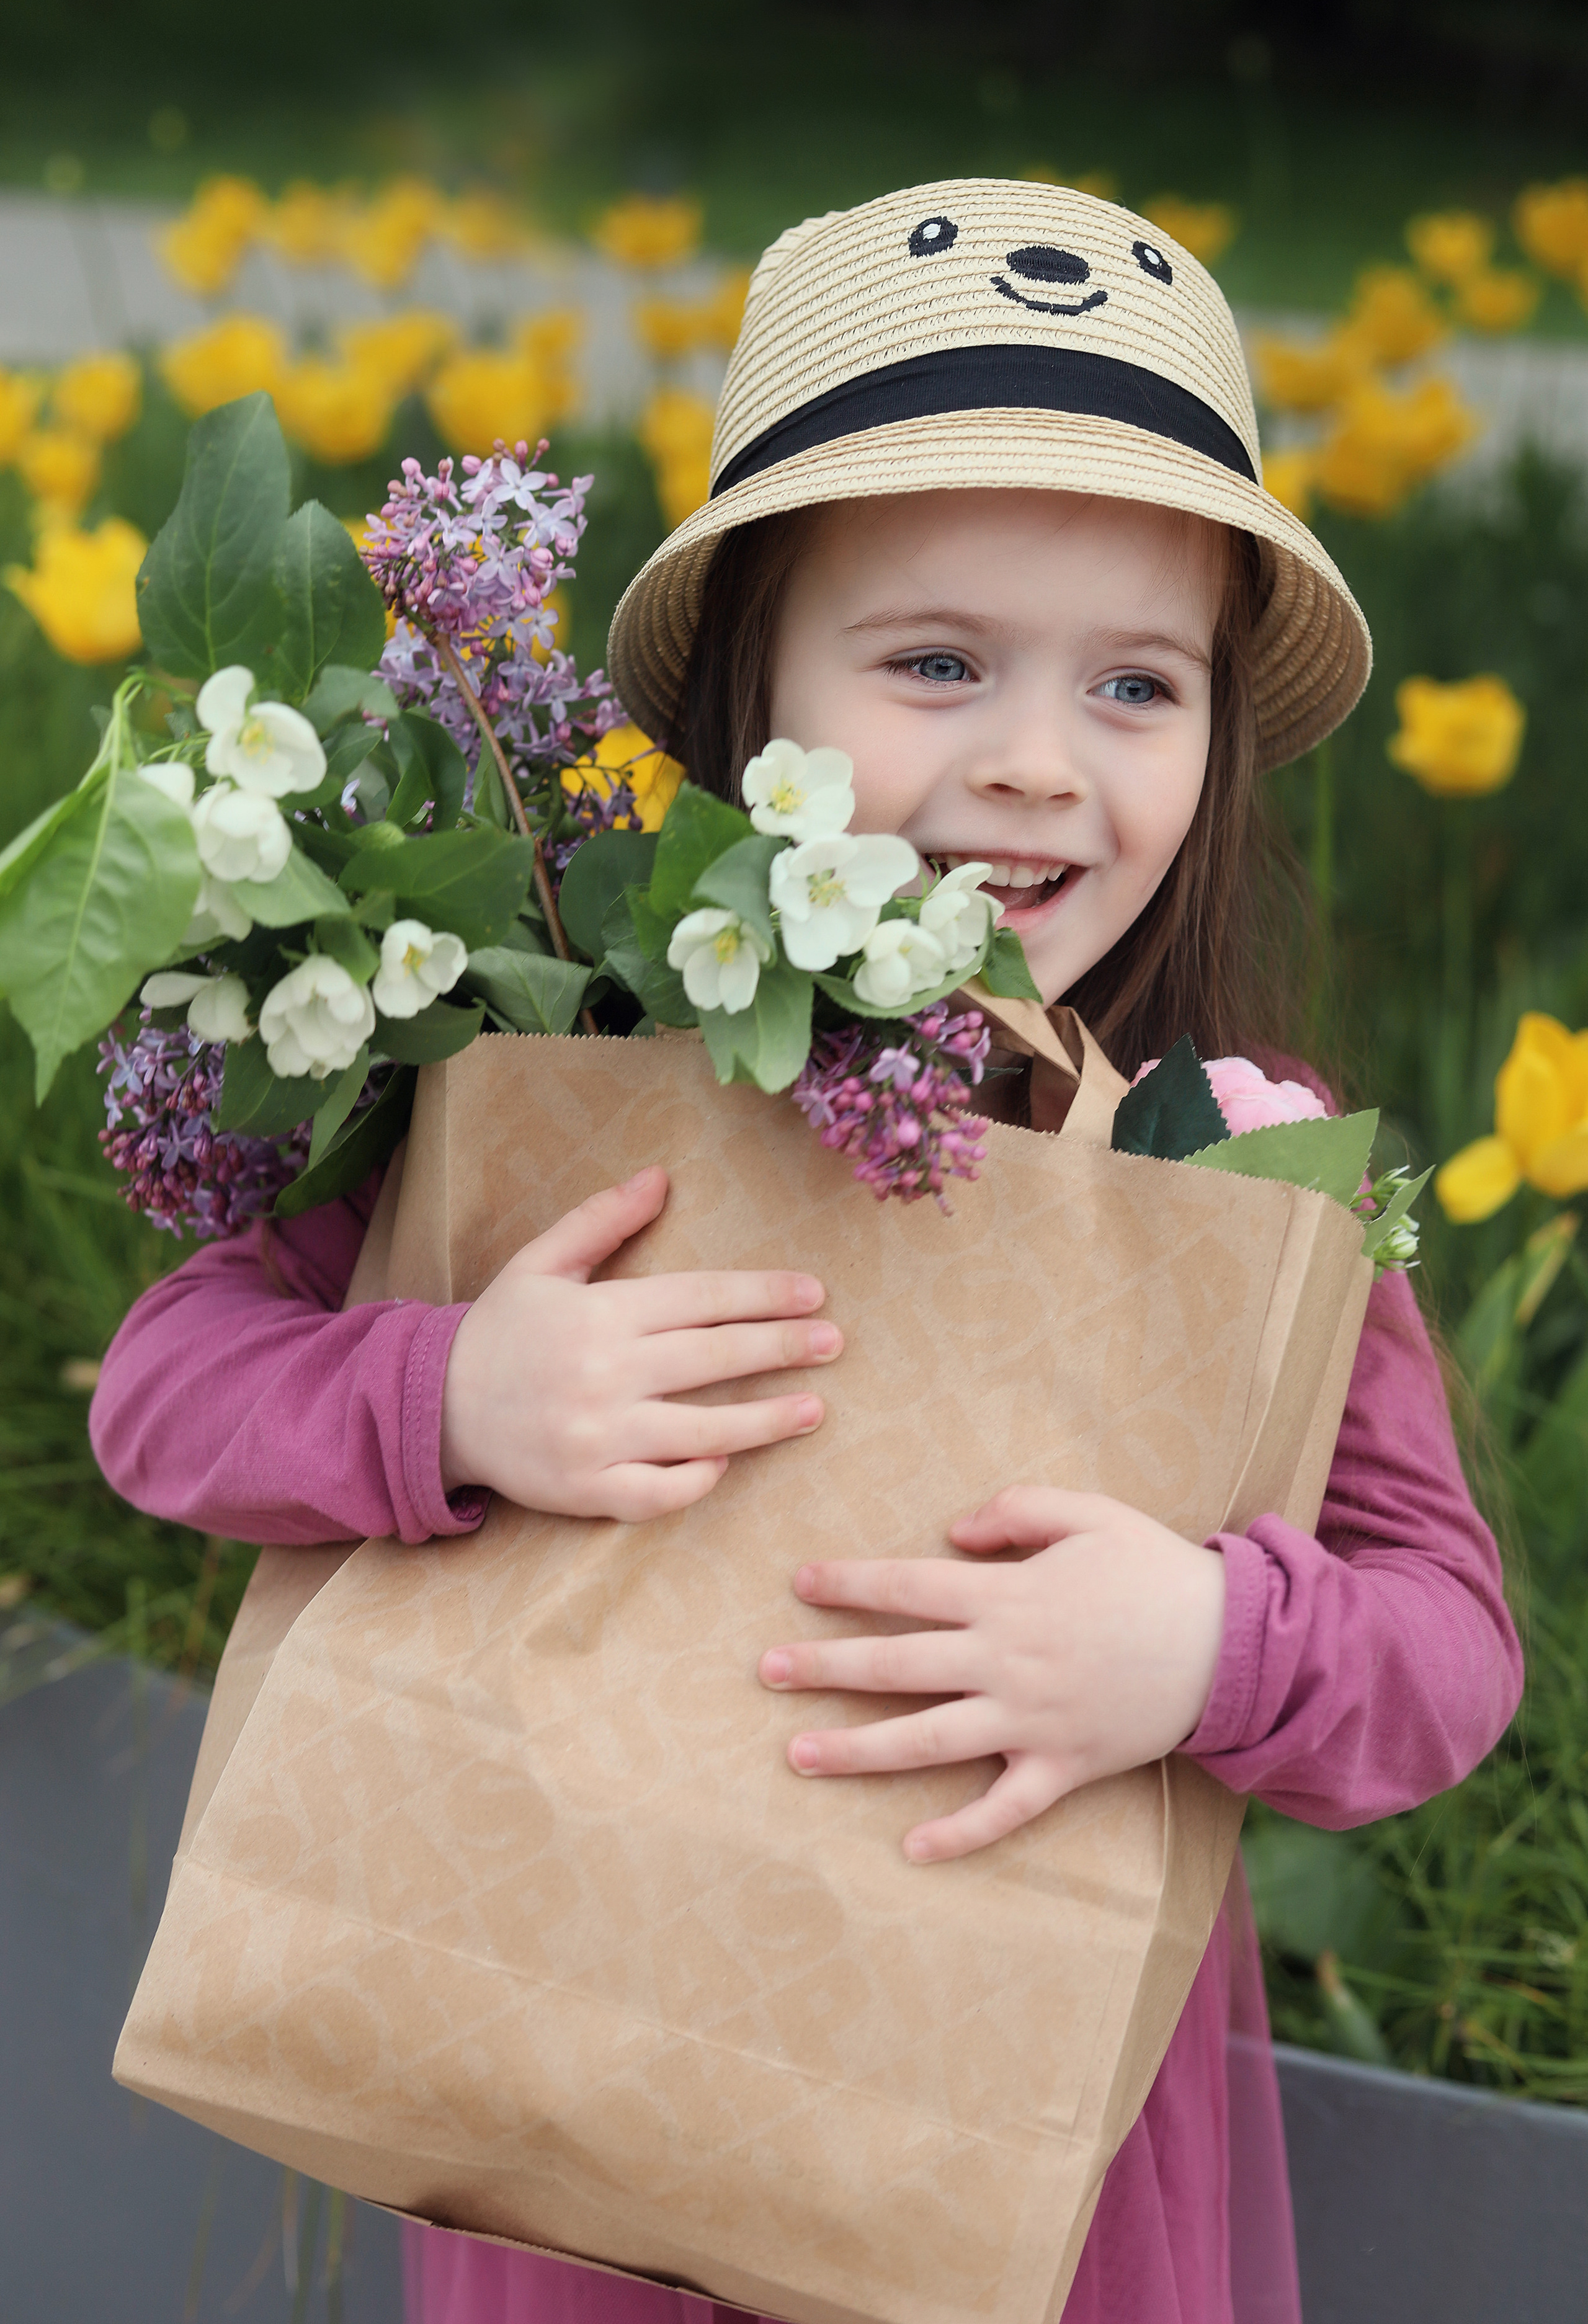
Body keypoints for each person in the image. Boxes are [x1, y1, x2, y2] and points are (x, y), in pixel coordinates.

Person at [91, 181, 1522, 2324]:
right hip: (556, 2099)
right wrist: (452, 1391)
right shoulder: (559, 1061)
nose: (1037, 761)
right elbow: (167, 1397)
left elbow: (1448, 1653)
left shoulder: (1246, 1172)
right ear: (752, 683)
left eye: (1138, 685)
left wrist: (1205, 1654)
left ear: (1220, 734)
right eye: (937, 661)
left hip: (1025, 2178)